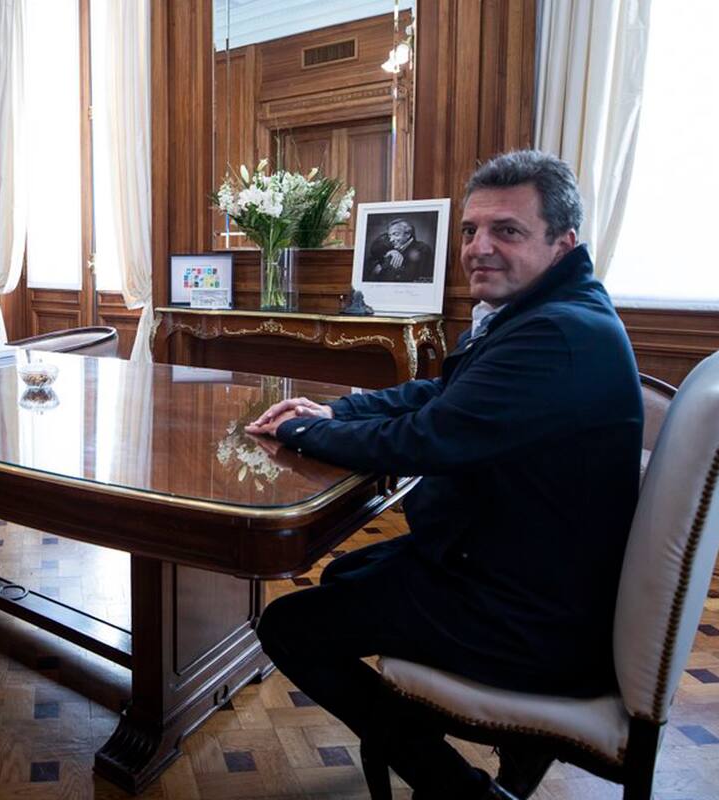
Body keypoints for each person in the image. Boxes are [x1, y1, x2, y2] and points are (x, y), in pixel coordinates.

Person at [245, 150, 642, 800]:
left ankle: (459, 790)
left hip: (529, 617)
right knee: (345, 576)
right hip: (520, 567)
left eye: (506, 231)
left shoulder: (556, 335)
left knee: (291, 626)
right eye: (470, 230)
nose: (478, 248)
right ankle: (500, 750)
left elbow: (427, 438)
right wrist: (336, 408)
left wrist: (299, 432)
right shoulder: (549, 311)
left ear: (562, 242)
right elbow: (438, 396)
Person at [365, 218, 434, 282]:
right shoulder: (390, 246)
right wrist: (389, 252)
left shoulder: (423, 250)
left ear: (407, 234)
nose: (391, 239)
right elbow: (374, 249)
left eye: (396, 234)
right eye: (390, 236)